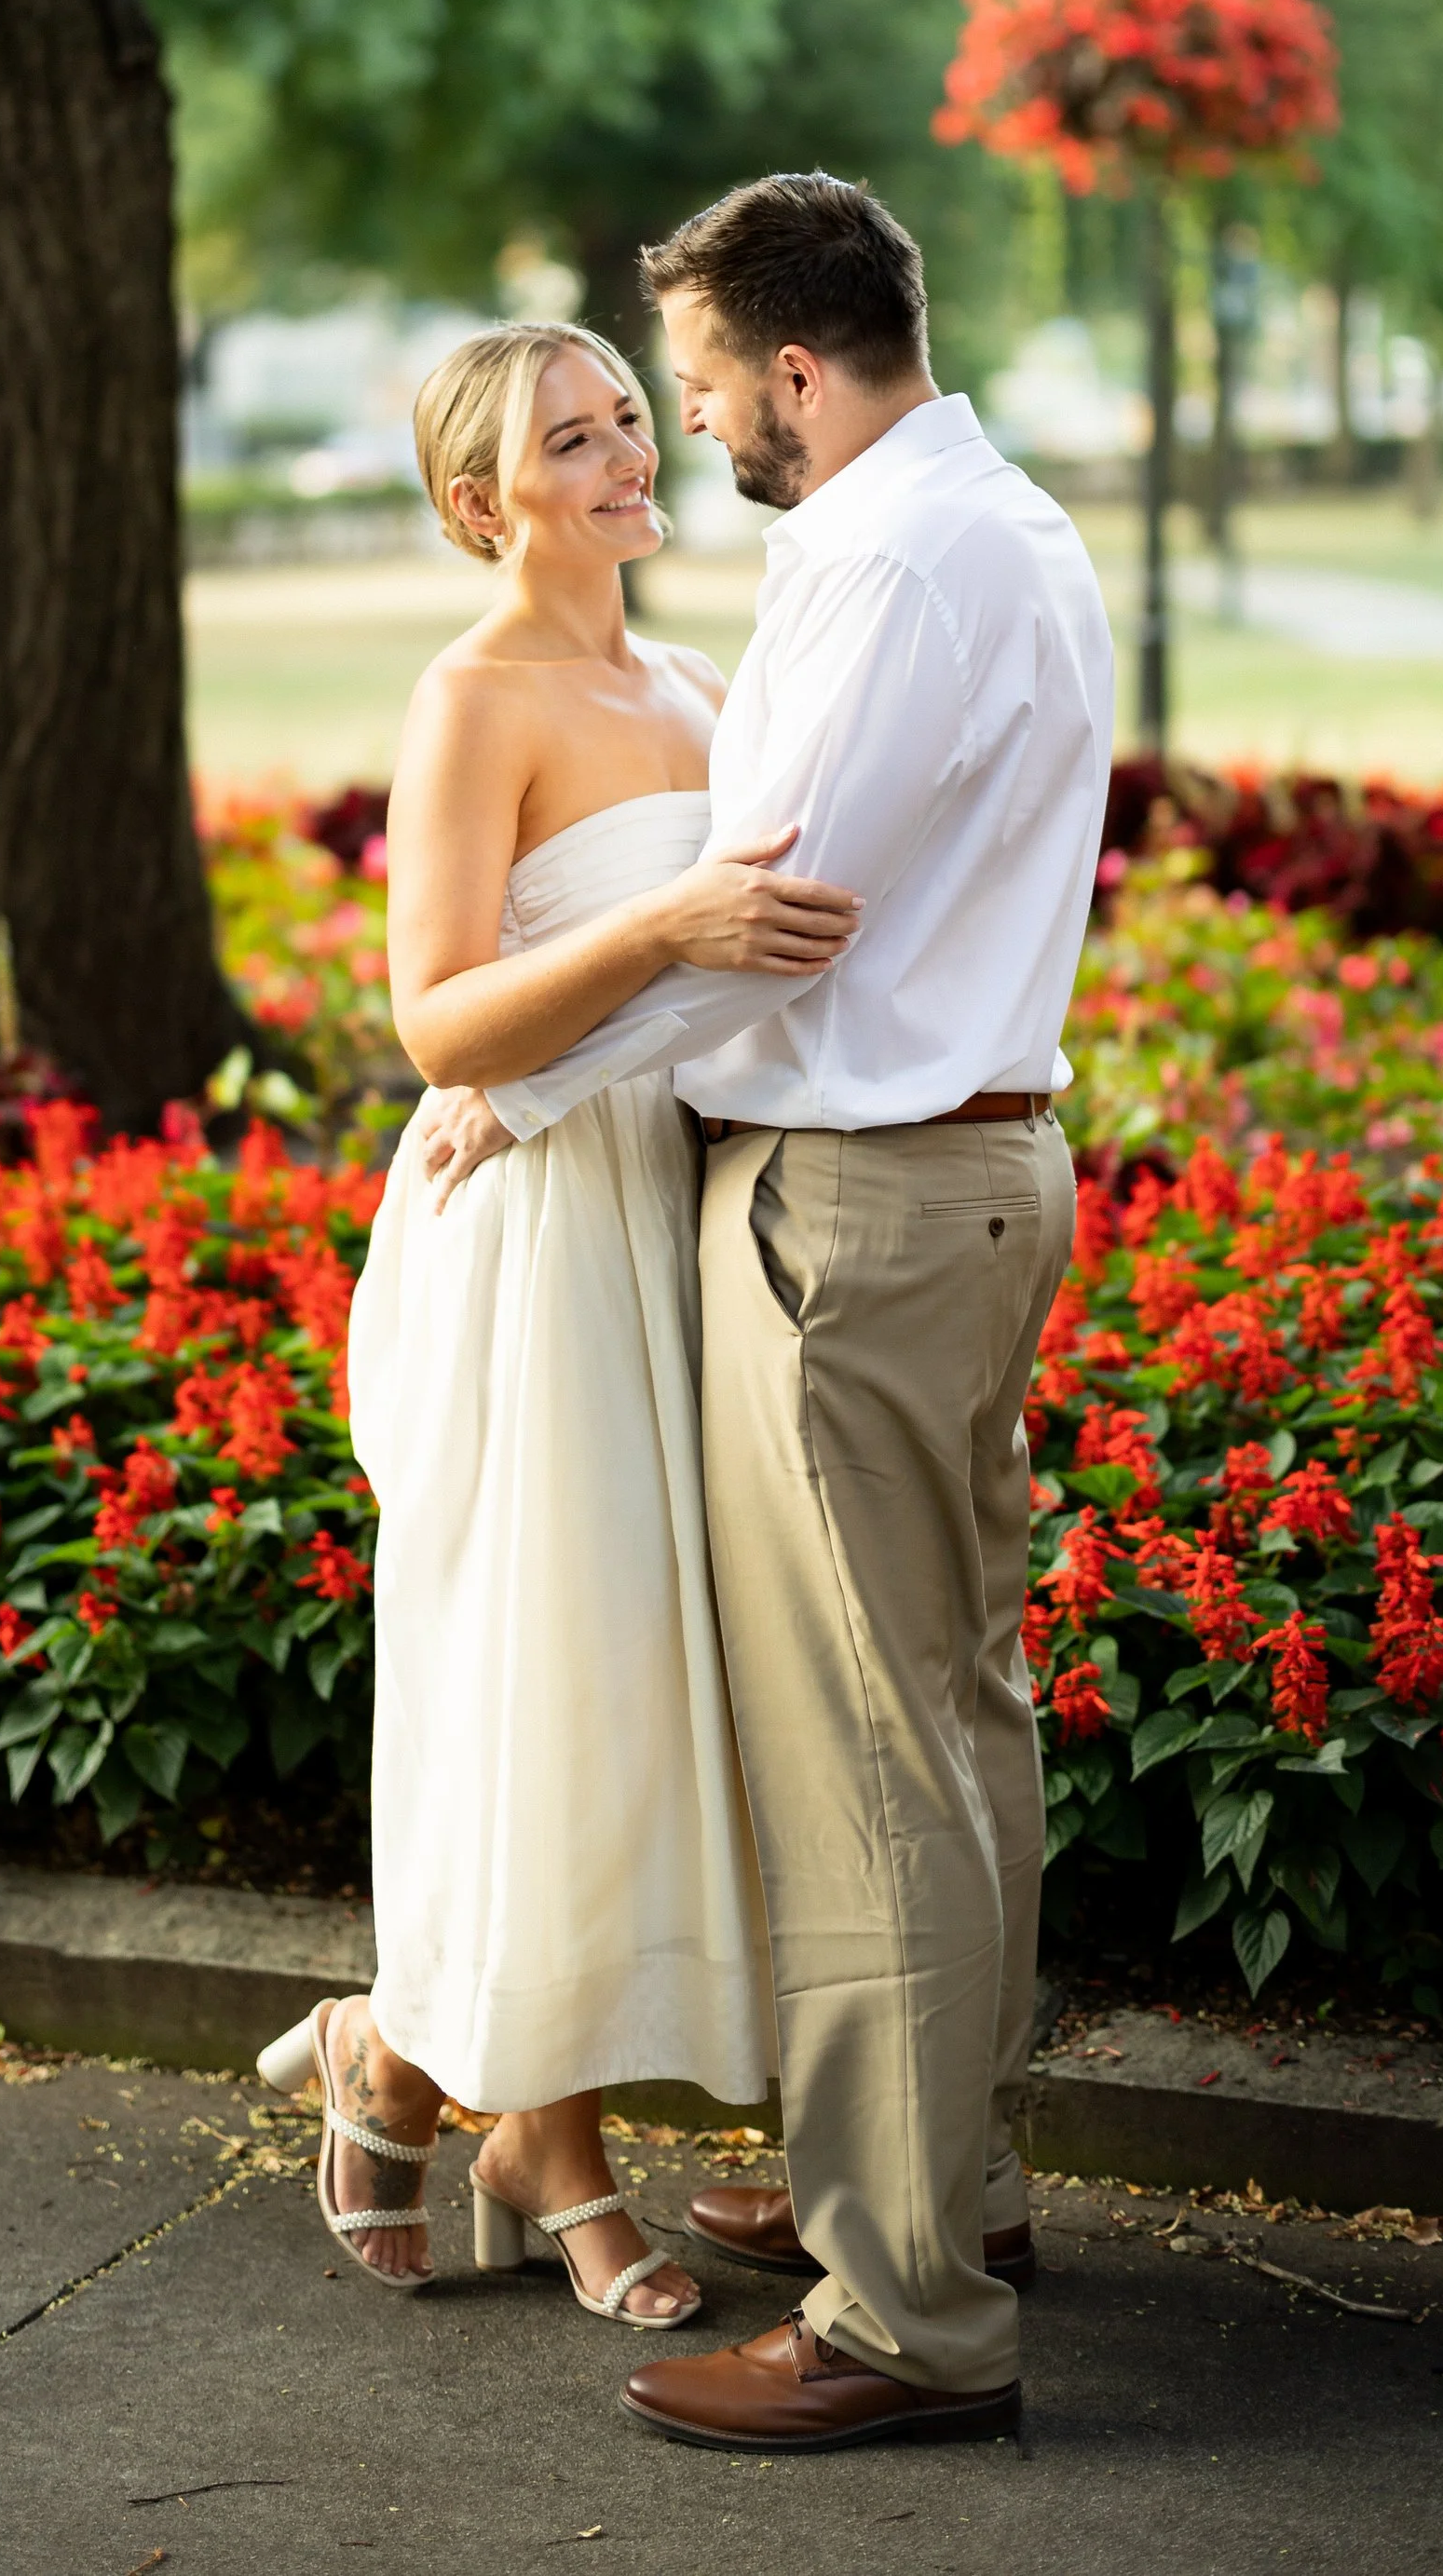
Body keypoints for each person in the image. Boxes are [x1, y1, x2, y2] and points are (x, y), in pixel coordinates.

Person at [424, 172, 1115, 2450]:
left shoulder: (881, 561)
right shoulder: (994, 525)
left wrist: (511, 1097)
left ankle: (898, 2307)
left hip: (859, 1207)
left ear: (793, 372)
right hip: (974, 1167)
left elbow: (762, 917)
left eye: (699, 387)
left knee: (864, 1767)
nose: (690, 430)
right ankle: (951, 2186)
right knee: (952, 1713)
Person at [257, 317, 862, 2326]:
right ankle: (566, 2165)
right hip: (524, 1237)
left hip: (684, 1213)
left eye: (625, 422)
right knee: (547, 1688)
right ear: (475, 503)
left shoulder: (701, 682)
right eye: (572, 441)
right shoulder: (473, 699)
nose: (625, 459)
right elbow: (432, 1020)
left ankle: (405, 2065)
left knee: (651, 1695)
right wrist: (653, 927)